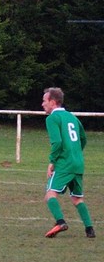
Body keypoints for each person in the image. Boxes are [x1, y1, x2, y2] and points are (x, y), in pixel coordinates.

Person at [41, 87, 95, 238]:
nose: (42, 104)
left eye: (44, 101)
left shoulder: (52, 118)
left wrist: (52, 161)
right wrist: (75, 153)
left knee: (50, 194)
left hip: (64, 163)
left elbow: (57, 142)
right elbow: (83, 138)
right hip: (78, 163)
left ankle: (60, 222)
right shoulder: (72, 117)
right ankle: (89, 229)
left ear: (53, 102)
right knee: (77, 198)